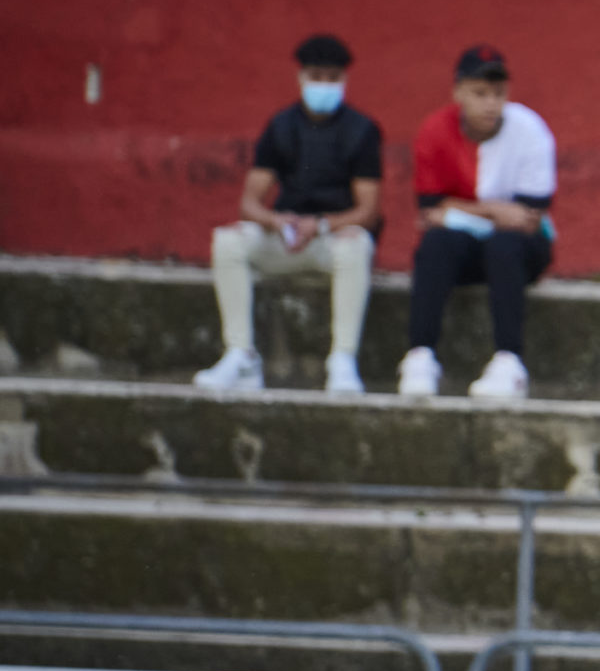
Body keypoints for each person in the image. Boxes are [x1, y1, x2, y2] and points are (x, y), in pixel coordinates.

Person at [193, 33, 383, 394]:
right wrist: (275, 221)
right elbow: (249, 203)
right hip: (285, 236)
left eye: (332, 77)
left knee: (357, 245)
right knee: (228, 241)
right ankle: (241, 355)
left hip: (331, 239)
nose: (323, 85)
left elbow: (369, 210)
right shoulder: (281, 127)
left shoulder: (361, 132)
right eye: (316, 76)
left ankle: (342, 359)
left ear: (344, 80)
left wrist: (324, 224)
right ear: (300, 78)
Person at [399, 45, 557, 401]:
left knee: (504, 245)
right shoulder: (434, 131)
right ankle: (420, 356)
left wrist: (460, 210)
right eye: (479, 93)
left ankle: (509, 363)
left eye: (498, 94)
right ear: (458, 93)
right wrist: (494, 211)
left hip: (523, 249)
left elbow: (529, 220)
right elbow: (428, 214)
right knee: (436, 244)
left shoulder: (531, 131)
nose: (490, 103)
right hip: (465, 246)